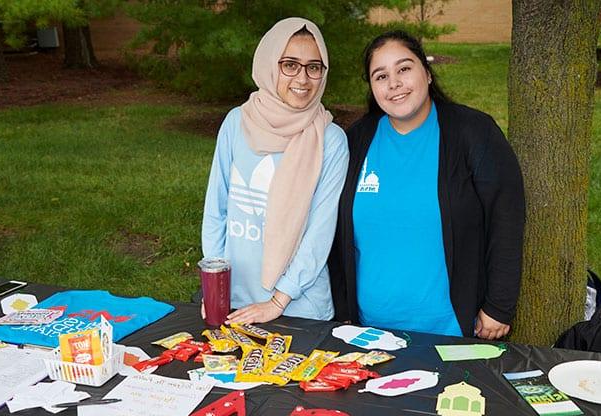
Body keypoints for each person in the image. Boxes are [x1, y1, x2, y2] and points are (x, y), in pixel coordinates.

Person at [329, 30, 525, 340]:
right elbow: (336, 234)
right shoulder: (356, 140)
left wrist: (499, 306)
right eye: (381, 76)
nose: (394, 83)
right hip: (369, 332)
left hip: (453, 331)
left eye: (404, 69)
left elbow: (507, 219)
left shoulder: (474, 133)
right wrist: (344, 314)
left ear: (428, 74)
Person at [202, 18, 348, 325]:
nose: (303, 78)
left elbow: (319, 233)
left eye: (314, 67)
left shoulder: (331, 140)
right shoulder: (236, 122)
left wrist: (277, 301)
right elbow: (217, 210)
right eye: (290, 64)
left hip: (300, 307)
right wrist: (214, 286)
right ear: (269, 63)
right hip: (235, 300)